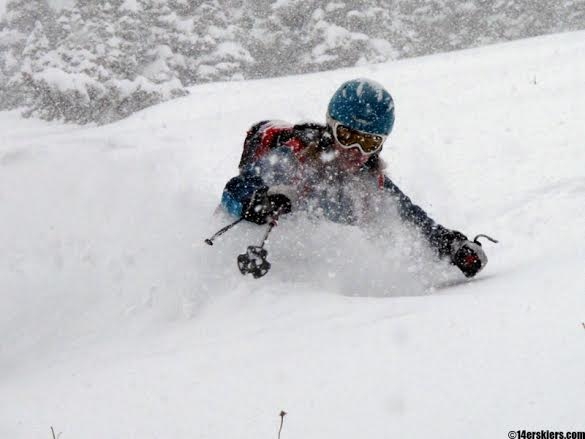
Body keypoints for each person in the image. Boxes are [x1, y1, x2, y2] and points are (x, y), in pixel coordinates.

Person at [220, 78, 488, 278]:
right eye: (347, 137)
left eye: (368, 143)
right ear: (331, 127)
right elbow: (233, 192)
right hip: (270, 191)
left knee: (358, 210)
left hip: (320, 205)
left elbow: (412, 217)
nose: (355, 152)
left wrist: (451, 244)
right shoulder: (294, 154)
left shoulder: (371, 178)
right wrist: (258, 203)